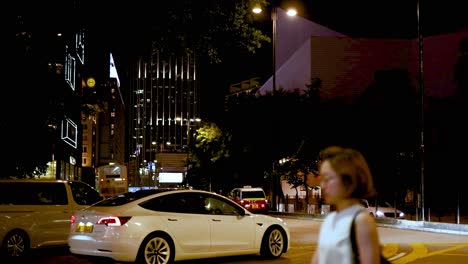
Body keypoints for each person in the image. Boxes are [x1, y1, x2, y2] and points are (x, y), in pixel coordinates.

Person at [311, 146, 383, 264]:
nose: (323, 186)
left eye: (328, 178)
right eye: (322, 179)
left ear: (348, 180)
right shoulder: (329, 220)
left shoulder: (361, 221)